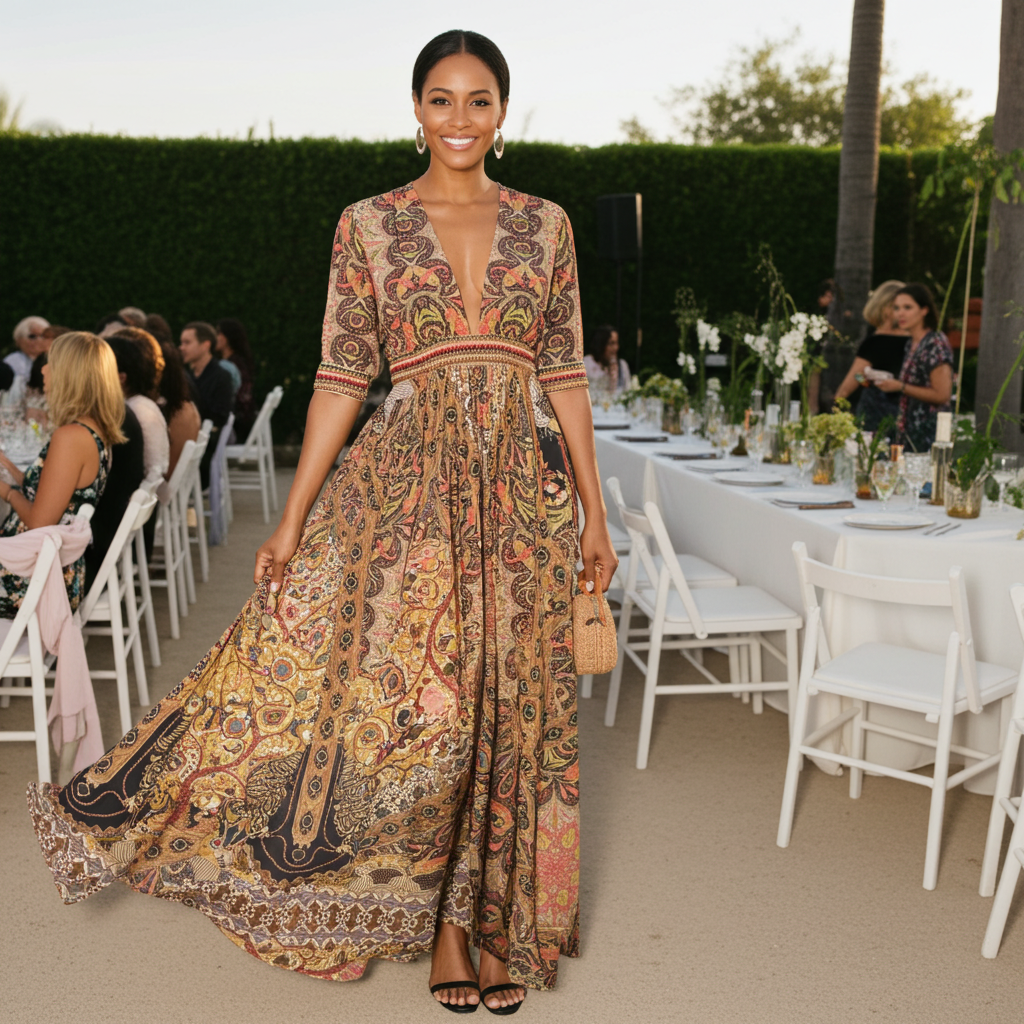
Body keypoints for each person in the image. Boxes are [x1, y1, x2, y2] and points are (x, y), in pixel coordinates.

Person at [28, 29, 615, 1017]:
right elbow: (345, 373)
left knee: (508, 700)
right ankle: (442, 925)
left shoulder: (545, 225)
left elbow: (561, 369)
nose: (459, 118)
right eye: (441, 98)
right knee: (422, 704)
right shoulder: (369, 224)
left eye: (478, 100)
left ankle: (488, 923)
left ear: (503, 113)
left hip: (520, 489)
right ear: (415, 108)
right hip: (408, 479)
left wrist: (593, 509)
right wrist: (292, 514)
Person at [0, 332, 123, 615]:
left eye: (50, 363)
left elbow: (39, 522)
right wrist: (8, 467)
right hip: (47, 566)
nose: (42, 369)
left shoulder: (71, 437)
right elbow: (54, 494)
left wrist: (6, 492)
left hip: (34, 578)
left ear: (70, 374)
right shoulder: (91, 429)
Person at [873, 283, 953, 451]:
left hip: (930, 435)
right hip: (908, 432)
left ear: (924, 310)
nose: (900, 313)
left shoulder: (935, 343)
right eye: (896, 308)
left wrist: (900, 386)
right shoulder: (911, 343)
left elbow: (942, 394)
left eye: (907, 307)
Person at [833, 280, 907, 429]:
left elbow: (856, 377)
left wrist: (867, 384)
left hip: (878, 414)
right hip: (905, 412)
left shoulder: (875, 342)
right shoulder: (913, 340)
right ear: (885, 307)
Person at [107, 333, 169, 482]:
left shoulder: (135, 410)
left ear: (121, 378)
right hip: (143, 494)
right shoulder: (139, 404)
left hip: (141, 495)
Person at [179, 320, 232, 485]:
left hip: (204, 452)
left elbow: (221, 417)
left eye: (187, 342)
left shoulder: (221, 376)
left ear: (205, 345)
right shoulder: (185, 375)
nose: (181, 347)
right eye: (181, 342)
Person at [157, 340, 201, 476]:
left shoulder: (173, 411)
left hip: (158, 488)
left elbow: (165, 470)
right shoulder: (185, 405)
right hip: (173, 483)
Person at [216, 317, 257, 440]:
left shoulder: (229, 366)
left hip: (236, 425)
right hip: (243, 420)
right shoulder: (239, 362)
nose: (214, 338)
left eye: (218, 333)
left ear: (226, 338)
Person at [583, 324, 630, 394]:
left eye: (616, 343)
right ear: (601, 344)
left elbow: (628, 392)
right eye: (611, 343)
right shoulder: (587, 363)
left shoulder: (622, 365)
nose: (616, 348)